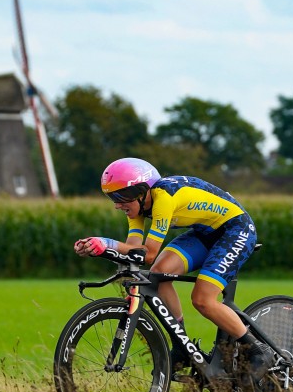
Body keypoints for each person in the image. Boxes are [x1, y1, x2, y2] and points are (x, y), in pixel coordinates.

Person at [74, 157, 269, 380]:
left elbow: (148, 254)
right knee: (158, 275)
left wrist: (105, 242)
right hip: (205, 233)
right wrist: (96, 248)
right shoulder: (137, 207)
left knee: (203, 300)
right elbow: (134, 250)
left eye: (120, 196)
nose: (117, 204)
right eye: (112, 198)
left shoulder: (163, 198)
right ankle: (181, 346)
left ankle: (258, 351)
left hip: (236, 229)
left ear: (141, 191)